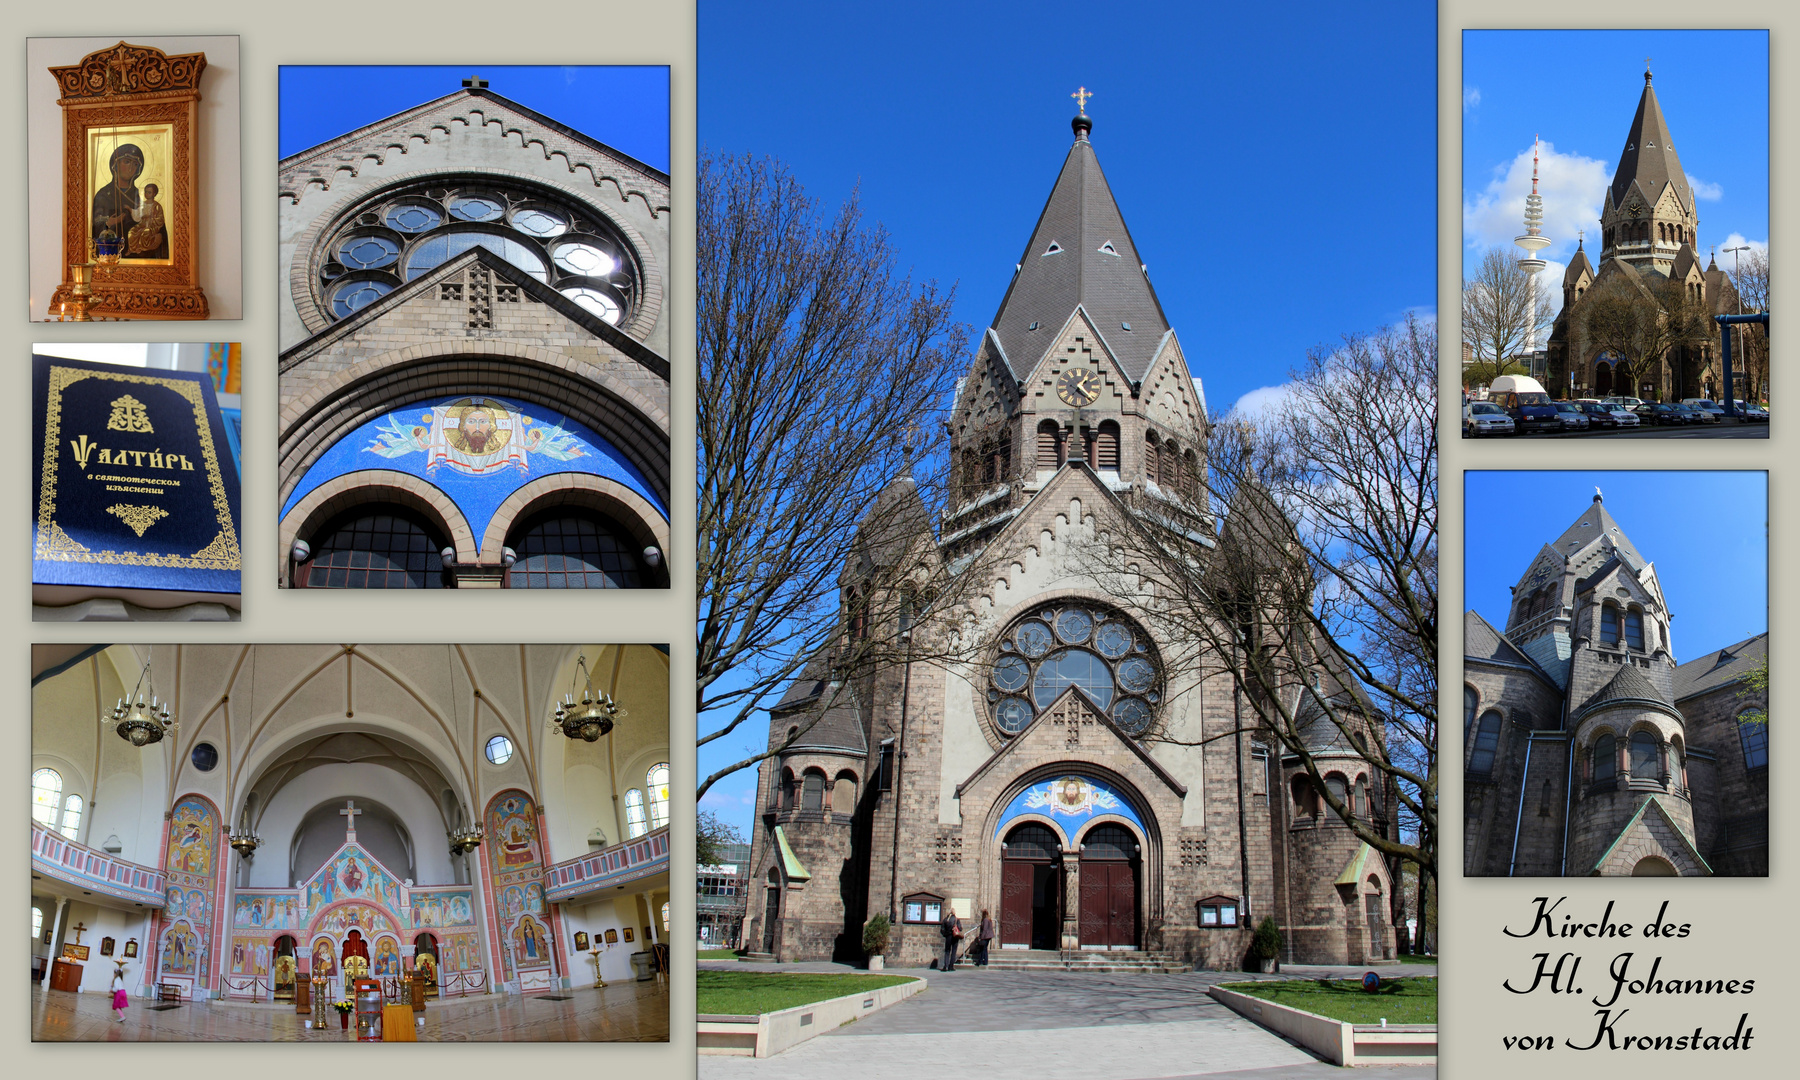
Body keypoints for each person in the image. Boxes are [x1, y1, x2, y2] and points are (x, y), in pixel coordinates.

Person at [939, 906, 963, 971]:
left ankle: (945, 966)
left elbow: (942, 930)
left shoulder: (945, 920)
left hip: (948, 937)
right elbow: (960, 928)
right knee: (953, 951)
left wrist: (946, 934)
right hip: (955, 937)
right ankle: (951, 966)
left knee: (947, 951)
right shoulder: (957, 919)